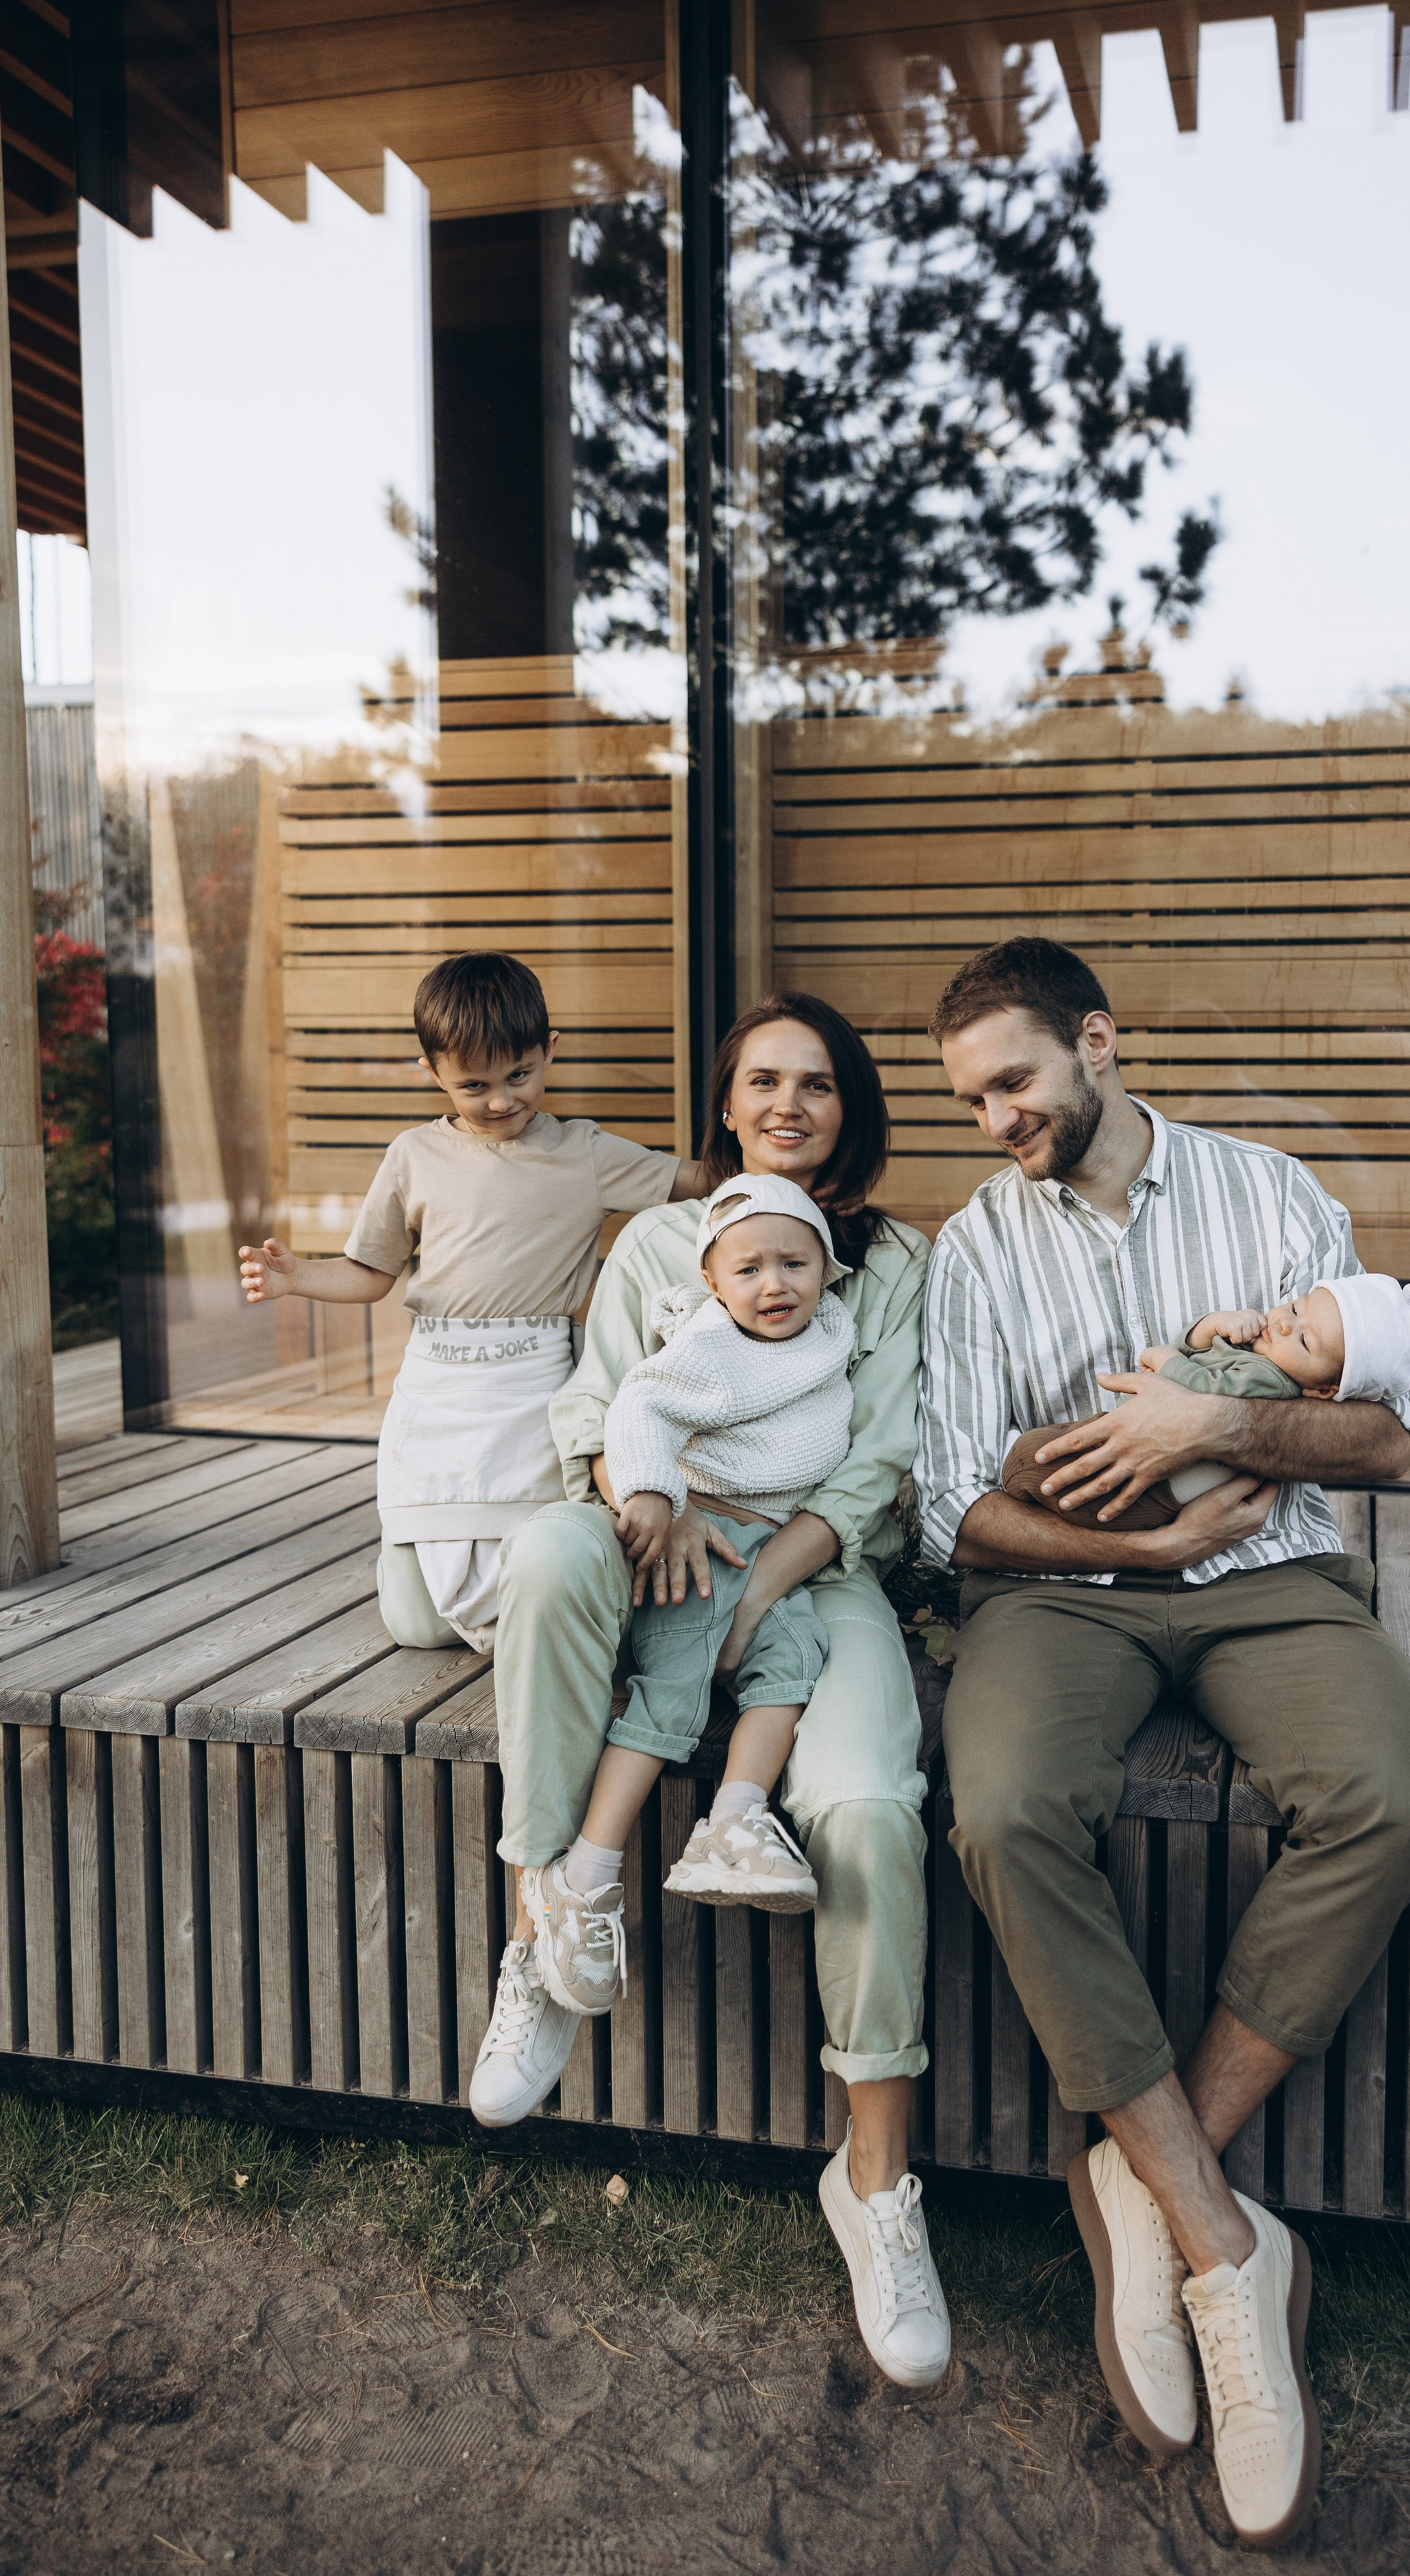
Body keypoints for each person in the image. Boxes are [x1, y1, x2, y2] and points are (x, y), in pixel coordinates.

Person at [914, 936, 1410, 2553]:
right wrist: (1130, 1540)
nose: (996, 1119)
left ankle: (1142, 2175)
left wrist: (1209, 1423)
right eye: (970, 1100)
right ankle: (1222, 2246)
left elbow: (1384, 1434)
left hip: (1267, 1574)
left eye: (1013, 1081)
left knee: (1387, 1796)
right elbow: (953, 1504)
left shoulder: (1269, 1194)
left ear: (1097, 1040)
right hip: (1063, 1594)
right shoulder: (973, 1244)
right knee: (1004, 1807)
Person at [473, 992, 953, 2394]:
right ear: (727, 1105)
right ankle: (547, 1923)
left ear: (850, 1111)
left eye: (817, 1083)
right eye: (762, 1081)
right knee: (546, 1556)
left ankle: (875, 2184)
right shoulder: (658, 1243)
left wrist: (757, 1589)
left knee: (867, 1804)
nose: (788, 1103)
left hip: (814, 1569)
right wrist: (649, 1505)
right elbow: (598, 1405)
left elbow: (880, 1462)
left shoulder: (889, 1265)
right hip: (654, 1538)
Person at [236, 951, 703, 1651]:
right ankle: (415, 1552)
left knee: (537, 1566)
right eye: (473, 1086)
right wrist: (297, 1277)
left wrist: (776, 1152)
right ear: (432, 1072)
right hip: (438, 1386)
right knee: (417, 1629)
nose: (501, 1100)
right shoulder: (413, 1155)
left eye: (520, 1075)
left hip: (537, 1386)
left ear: (549, 1051)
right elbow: (371, 1272)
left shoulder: (585, 1152)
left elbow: (700, 1182)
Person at [521, 1175, 857, 2019]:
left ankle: (734, 1821)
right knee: (671, 1698)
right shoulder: (707, 1344)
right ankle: (585, 1873)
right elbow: (639, 1406)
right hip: (699, 1550)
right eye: (748, 1270)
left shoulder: (832, 1332)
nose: (774, 1284)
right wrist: (652, 1496)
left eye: (794, 1264)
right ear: (712, 1282)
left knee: (795, 1662)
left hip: (773, 1552)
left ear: (828, 1269)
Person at [1003, 1277, 1410, 1531]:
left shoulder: (1269, 1382)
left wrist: (1168, 1361)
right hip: (1138, 1454)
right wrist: (1215, 1325)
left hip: (1157, 1491)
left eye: (1305, 1341)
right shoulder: (1259, 1353)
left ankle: (1018, 1476)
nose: (1284, 1325)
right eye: (1294, 1308)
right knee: (1054, 1462)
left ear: (1325, 1390)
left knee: (1036, 1464)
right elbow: (1194, 1349)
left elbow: (1201, 1391)